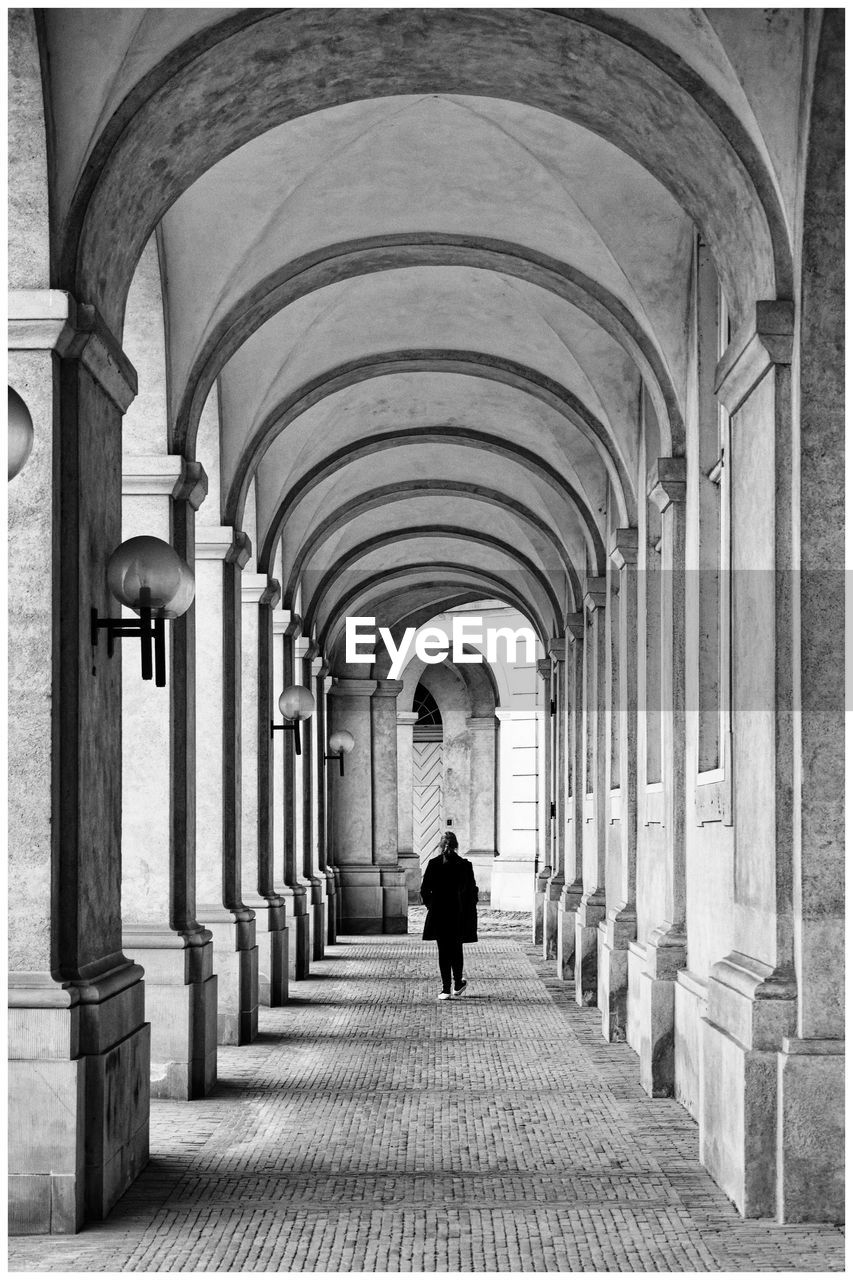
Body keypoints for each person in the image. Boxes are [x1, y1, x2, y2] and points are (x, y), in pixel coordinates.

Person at [420, 830, 479, 1000]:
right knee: (456, 950)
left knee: (443, 952)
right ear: (456, 846)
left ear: (440, 845)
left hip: (439, 914)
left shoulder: (433, 864)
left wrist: (432, 905)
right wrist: (467, 908)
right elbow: (472, 892)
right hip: (458, 915)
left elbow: (425, 890)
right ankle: (457, 984)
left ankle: (445, 989)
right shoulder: (465, 865)